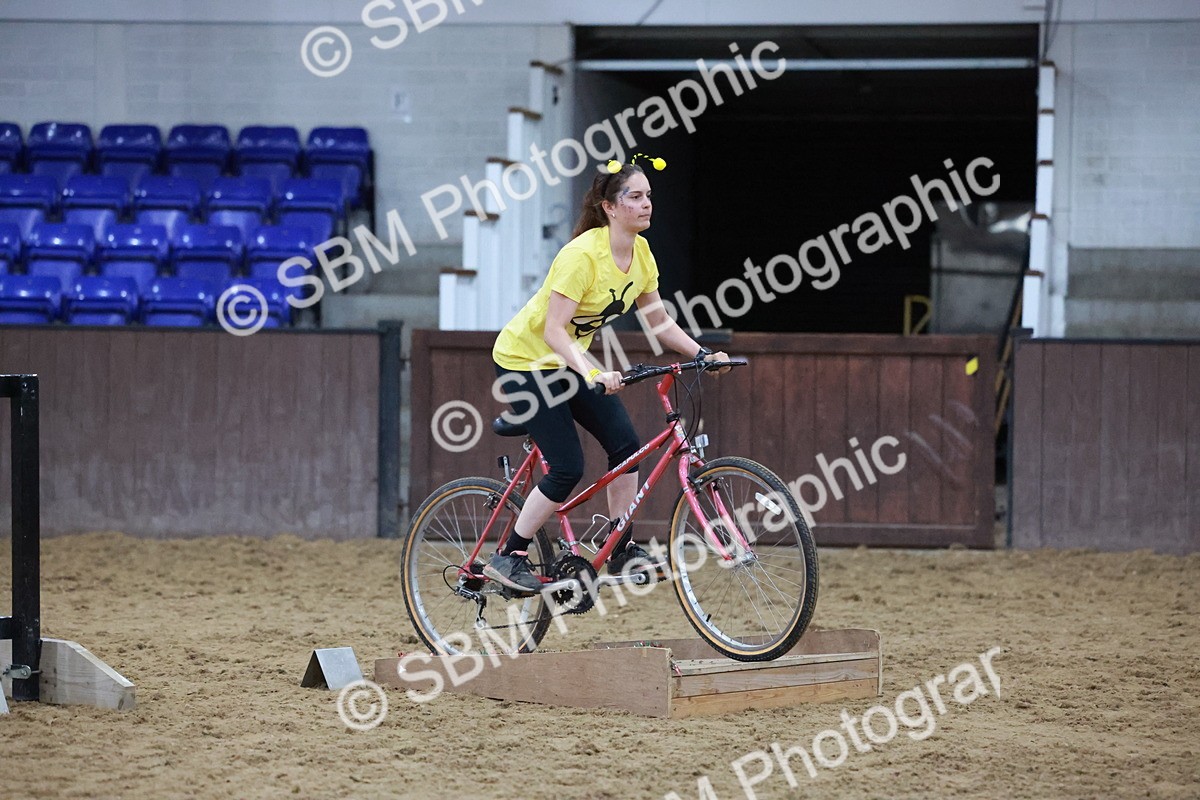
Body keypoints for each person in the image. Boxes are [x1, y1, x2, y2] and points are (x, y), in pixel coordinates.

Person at [485, 154, 729, 594]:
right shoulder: (581, 256)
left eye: (648, 197)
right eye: (634, 197)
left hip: (567, 360)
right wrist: (594, 372)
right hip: (526, 360)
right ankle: (509, 555)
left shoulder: (641, 254)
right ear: (610, 206)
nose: (646, 204)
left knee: (626, 446)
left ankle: (621, 547)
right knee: (567, 467)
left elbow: (658, 321)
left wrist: (703, 354)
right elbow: (554, 330)